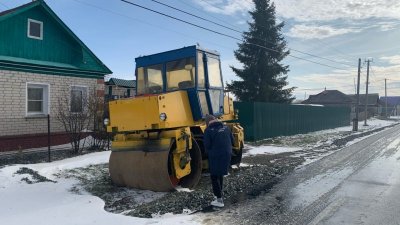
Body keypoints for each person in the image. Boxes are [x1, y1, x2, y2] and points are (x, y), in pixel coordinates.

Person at [203, 114, 234, 207]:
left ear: (208, 122)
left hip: (216, 155)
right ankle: (219, 196)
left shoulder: (208, 130)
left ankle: (219, 200)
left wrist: (209, 152)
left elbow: (207, 145)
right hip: (227, 153)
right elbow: (232, 140)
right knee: (219, 174)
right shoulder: (226, 128)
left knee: (214, 176)